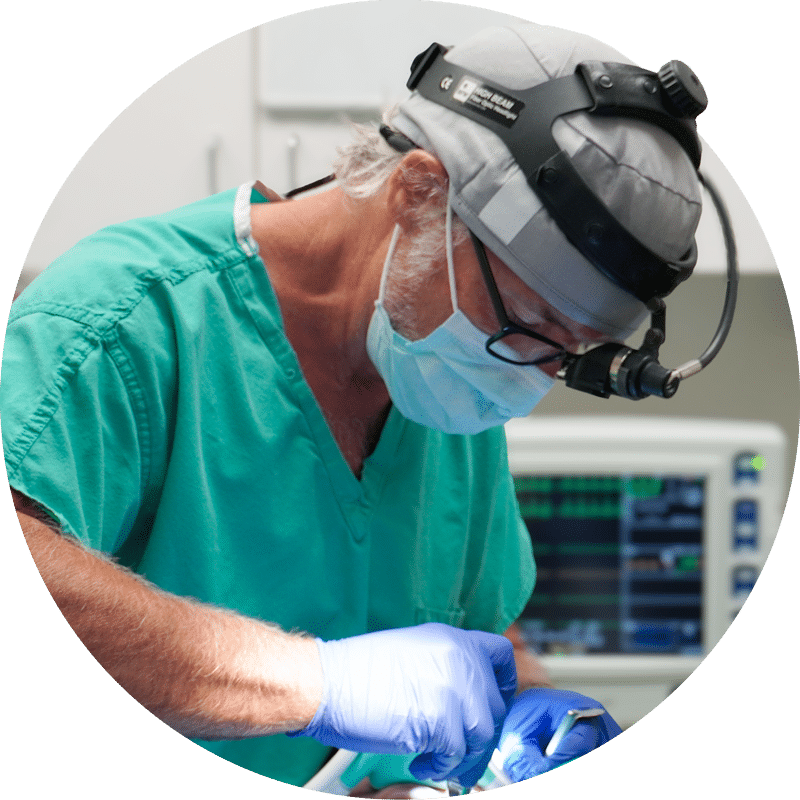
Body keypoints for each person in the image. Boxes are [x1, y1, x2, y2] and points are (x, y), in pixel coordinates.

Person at [2, 22, 701, 790]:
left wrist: (526, 716)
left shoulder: (448, 370)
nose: (530, 379)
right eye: (531, 327)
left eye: (571, 356)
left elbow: (468, 630)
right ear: (419, 194)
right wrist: (312, 684)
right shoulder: (122, 325)